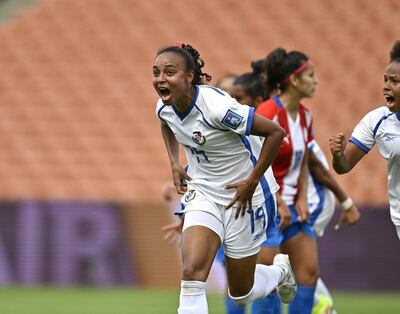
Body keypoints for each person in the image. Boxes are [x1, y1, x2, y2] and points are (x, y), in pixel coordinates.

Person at [153, 43, 296, 314]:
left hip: (243, 196)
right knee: (192, 272)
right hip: (204, 192)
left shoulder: (217, 108)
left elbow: (275, 133)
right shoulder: (164, 106)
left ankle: (279, 272)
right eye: (156, 72)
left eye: (169, 72)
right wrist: (174, 162)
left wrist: (252, 181)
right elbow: (166, 123)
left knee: (241, 293)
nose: (161, 79)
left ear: (189, 77)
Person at [226, 65, 360, 314]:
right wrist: (278, 199)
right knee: (258, 280)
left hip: (291, 207)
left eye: (237, 98)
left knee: (307, 274)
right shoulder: (257, 117)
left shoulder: (300, 115)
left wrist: (301, 195)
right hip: (264, 206)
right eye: (311, 75)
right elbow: (256, 167)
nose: (232, 104)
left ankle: (317, 304)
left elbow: (310, 162)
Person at [329, 40, 400, 240]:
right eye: (385, 80)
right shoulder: (377, 120)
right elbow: (343, 166)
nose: (386, 87)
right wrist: (338, 155)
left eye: (394, 81)